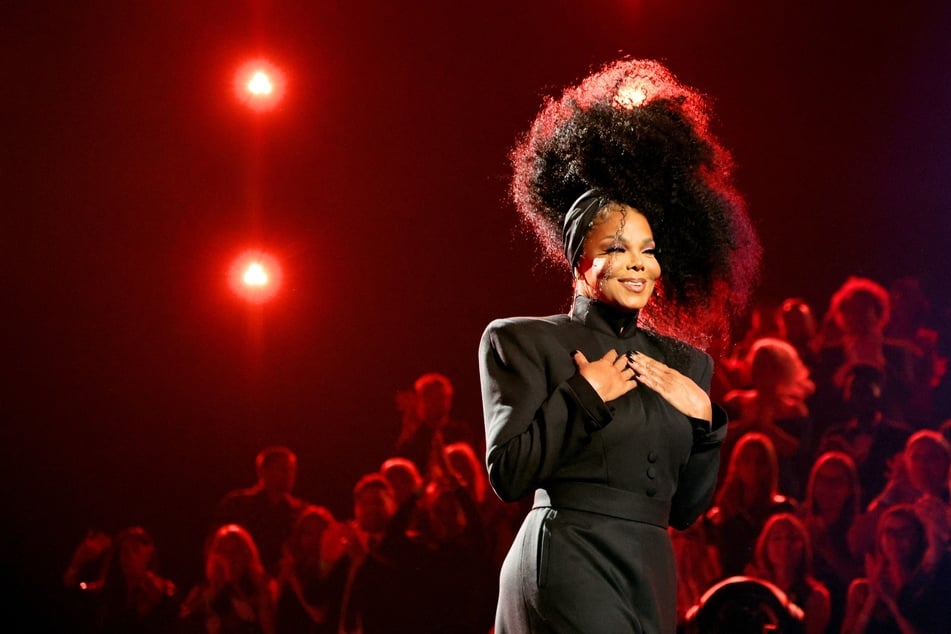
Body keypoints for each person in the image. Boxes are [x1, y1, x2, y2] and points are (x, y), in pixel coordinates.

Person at [479, 58, 760, 633]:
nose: (636, 262)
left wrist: (708, 425)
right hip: (567, 552)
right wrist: (585, 393)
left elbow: (685, 511)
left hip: (651, 565)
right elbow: (508, 474)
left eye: (648, 248)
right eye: (616, 246)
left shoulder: (687, 365)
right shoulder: (521, 340)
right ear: (581, 262)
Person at [213, 446, 306, 577]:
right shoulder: (238, 504)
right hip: (242, 580)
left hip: (284, 583)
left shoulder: (299, 511)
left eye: (292, 470)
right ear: (263, 471)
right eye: (282, 469)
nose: (289, 474)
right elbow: (215, 543)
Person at [179, 524, 276, 634]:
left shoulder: (260, 589)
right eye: (223, 552)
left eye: (235, 552)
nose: (229, 559)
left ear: (246, 554)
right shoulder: (201, 592)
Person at [745, 513, 831, 634]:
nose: (785, 544)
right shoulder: (755, 591)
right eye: (777, 538)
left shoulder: (815, 596)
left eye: (792, 538)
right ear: (765, 546)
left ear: (803, 545)